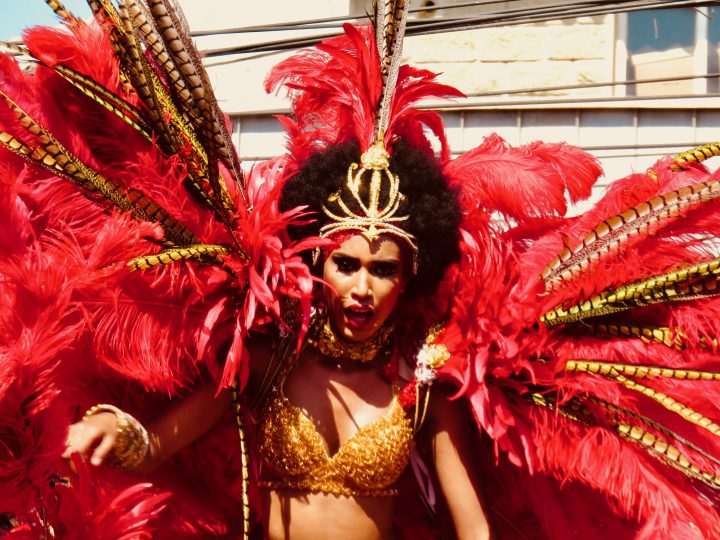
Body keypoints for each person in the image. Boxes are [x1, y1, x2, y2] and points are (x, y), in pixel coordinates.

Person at [3, 2, 720, 539]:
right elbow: (159, 440)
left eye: (383, 268)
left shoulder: (420, 386)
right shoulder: (268, 359)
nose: (362, 286)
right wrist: (116, 427)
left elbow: (473, 527)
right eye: (346, 263)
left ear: (409, 277)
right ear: (318, 260)